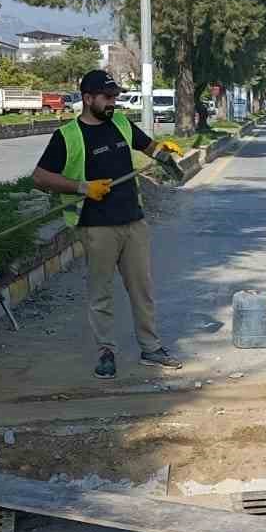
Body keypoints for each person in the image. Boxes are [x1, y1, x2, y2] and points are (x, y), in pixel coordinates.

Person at [32, 70, 186, 379]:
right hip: (96, 226)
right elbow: (39, 177)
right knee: (100, 293)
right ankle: (106, 351)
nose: (113, 102)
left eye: (115, 96)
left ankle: (150, 348)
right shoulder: (67, 136)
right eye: (107, 97)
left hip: (133, 221)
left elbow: (147, 146)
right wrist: (82, 188)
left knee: (142, 289)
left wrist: (164, 154)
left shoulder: (121, 123)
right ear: (87, 99)